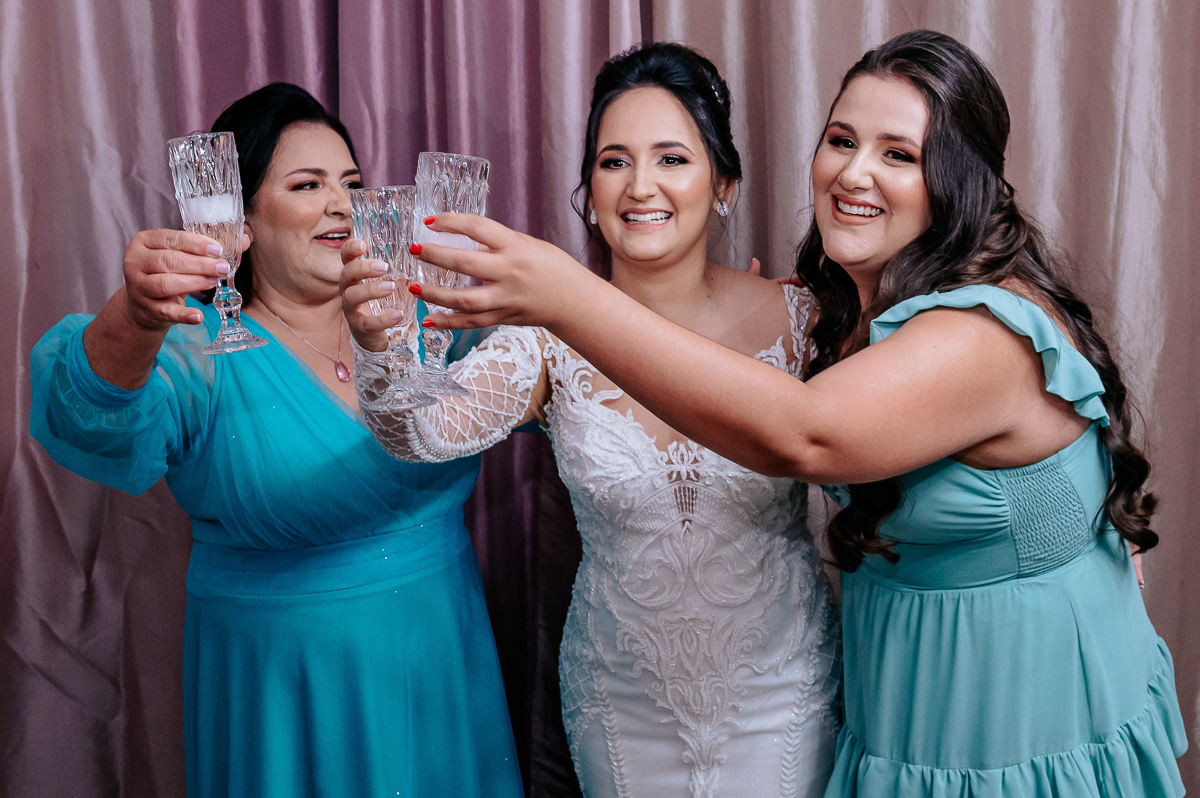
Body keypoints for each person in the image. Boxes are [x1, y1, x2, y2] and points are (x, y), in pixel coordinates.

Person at [393, 30, 1188, 797]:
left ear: (960, 183)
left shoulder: (975, 332)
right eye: (841, 140)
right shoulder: (838, 317)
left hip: (1019, 712)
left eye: (899, 154)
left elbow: (802, 432)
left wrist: (568, 297)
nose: (854, 173)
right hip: (898, 710)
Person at [343, 43, 840, 798]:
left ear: (724, 184)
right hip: (623, 704)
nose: (641, 186)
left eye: (672, 158)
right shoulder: (546, 337)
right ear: (589, 188)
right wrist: (380, 348)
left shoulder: (803, 321)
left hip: (785, 689)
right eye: (614, 162)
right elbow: (416, 434)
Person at [29, 83, 522, 798]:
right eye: (307, 184)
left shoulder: (430, 326)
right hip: (285, 692)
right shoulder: (201, 353)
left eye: (351, 182)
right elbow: (89, 418)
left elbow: (566, 389)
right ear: (242, 218)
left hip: (444, 655)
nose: (342, 203)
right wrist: (134, 317)